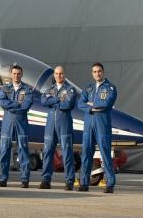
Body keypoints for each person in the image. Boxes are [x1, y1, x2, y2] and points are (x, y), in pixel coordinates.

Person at [77, 63, 118, 193]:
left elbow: (105, 103)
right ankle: (84, 183)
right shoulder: (88, 88)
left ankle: (110, 184)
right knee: (86, 153)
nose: (97, 74)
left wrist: (90, 104)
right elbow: (80, 103)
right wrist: (91, 107)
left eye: (99, 71)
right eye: (94, 72)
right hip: (89, 125)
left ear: (103, 72)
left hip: (102, 124)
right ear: (92, 73)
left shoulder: (110, 88)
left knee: (105, 152)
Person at [39, 66, 77, 190]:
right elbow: (43, 101)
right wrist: (58, 99)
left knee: (67, 152)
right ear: (54, 75)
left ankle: (69, 181)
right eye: (56, 74)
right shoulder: (49, 89)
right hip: (50, 124)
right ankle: (46, 180)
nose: (58, 76)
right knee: (47, 152)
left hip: (64, 123)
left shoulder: (70, 89)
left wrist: (52, 101)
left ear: (64, 75)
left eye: (61, 74)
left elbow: (68, 104)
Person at [0, 65, 33, 188]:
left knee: (23, 150)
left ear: (21, 74)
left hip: (21, 122)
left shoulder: (27, 90)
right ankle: (3, 179)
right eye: (14, 73)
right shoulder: (5, 88)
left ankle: (25, 179)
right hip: (7, 122)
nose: (16, 76)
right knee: (4, 150)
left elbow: (26, 105)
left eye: (18, 74)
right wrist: (16, 104)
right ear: (11, 74)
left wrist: (11, 107)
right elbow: (2, 102)